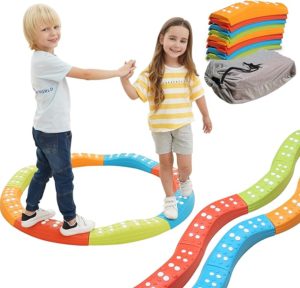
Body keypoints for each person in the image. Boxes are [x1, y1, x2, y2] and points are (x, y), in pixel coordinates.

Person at [22, 4, 135, 236]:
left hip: (43, 129)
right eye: (45, 29)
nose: (53, 33)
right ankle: (71, 222)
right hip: (54, 132)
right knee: (64, 175)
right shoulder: (45, 61)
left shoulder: (43, 57)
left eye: (56, 26)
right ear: (32, 34)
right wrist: (117, 72)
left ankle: (30, 213)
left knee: (43, 171)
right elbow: (85, 75)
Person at [121, 17, 212, 220]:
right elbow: (135, 95)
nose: (177, 45)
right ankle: (170, 198)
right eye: (172, 38)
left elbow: (198, 94)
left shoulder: (188, 71)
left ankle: (184, 178)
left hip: (183, 125)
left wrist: (206, 115)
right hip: (160, 127)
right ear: (161, 39)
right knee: (165, 163)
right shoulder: (152, 71)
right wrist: (124, 79)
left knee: (185, 165)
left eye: (183, 41)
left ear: (188, 44)